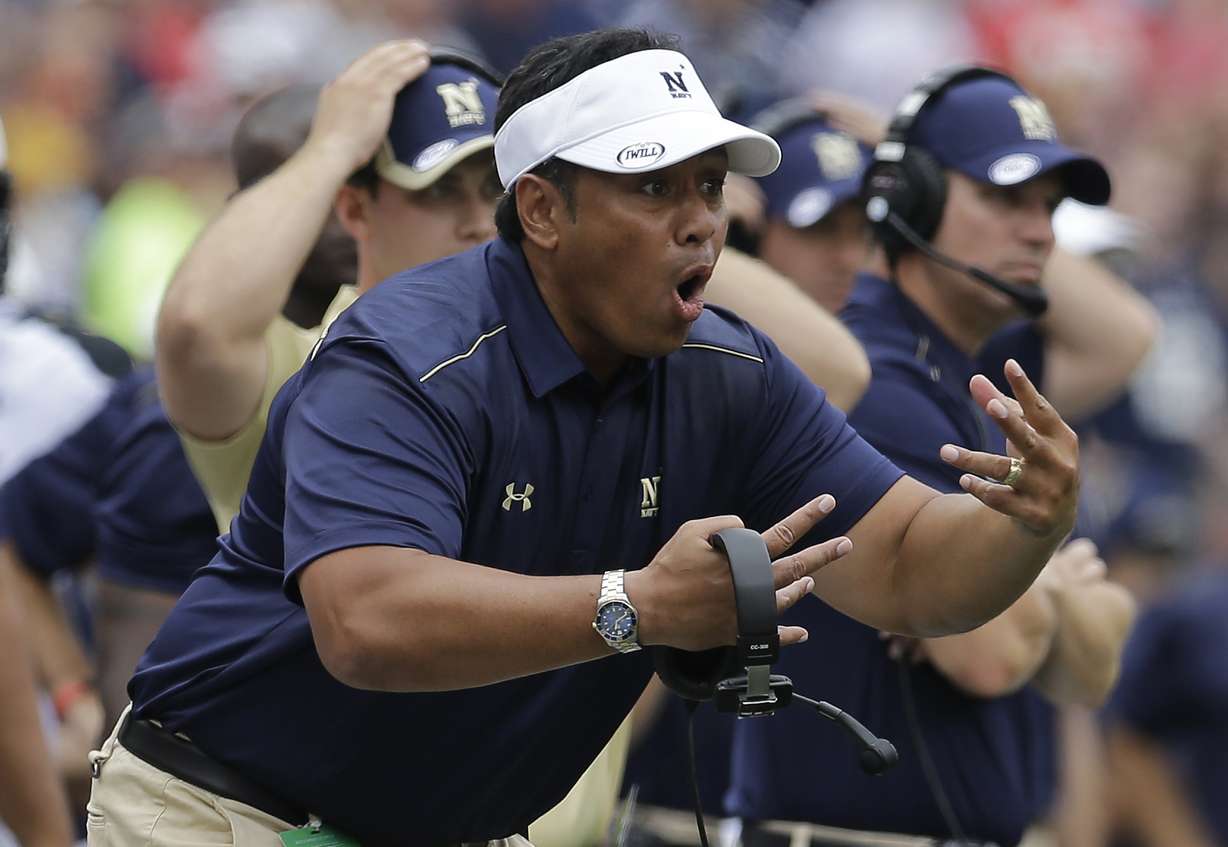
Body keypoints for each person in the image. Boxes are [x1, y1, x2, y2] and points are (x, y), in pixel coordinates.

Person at [90, 30, 1081, 846]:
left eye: (708, 188)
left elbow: (909, 564)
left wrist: (1024, 525)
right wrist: (636, 605)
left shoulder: (728, 372)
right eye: (654, 188)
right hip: (223, 809)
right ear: (541, 209)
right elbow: (367, 620)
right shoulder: (405, 350)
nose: (699, 222)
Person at [729, 67, 1145, 847]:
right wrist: (1054, 571)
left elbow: (1093, 671)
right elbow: (990, 652)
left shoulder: (965, 365)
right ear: (911, 200)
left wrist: (1030, 580)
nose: (1041, 232)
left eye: (1049, 208)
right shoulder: (877, 376)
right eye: (1005, 198)